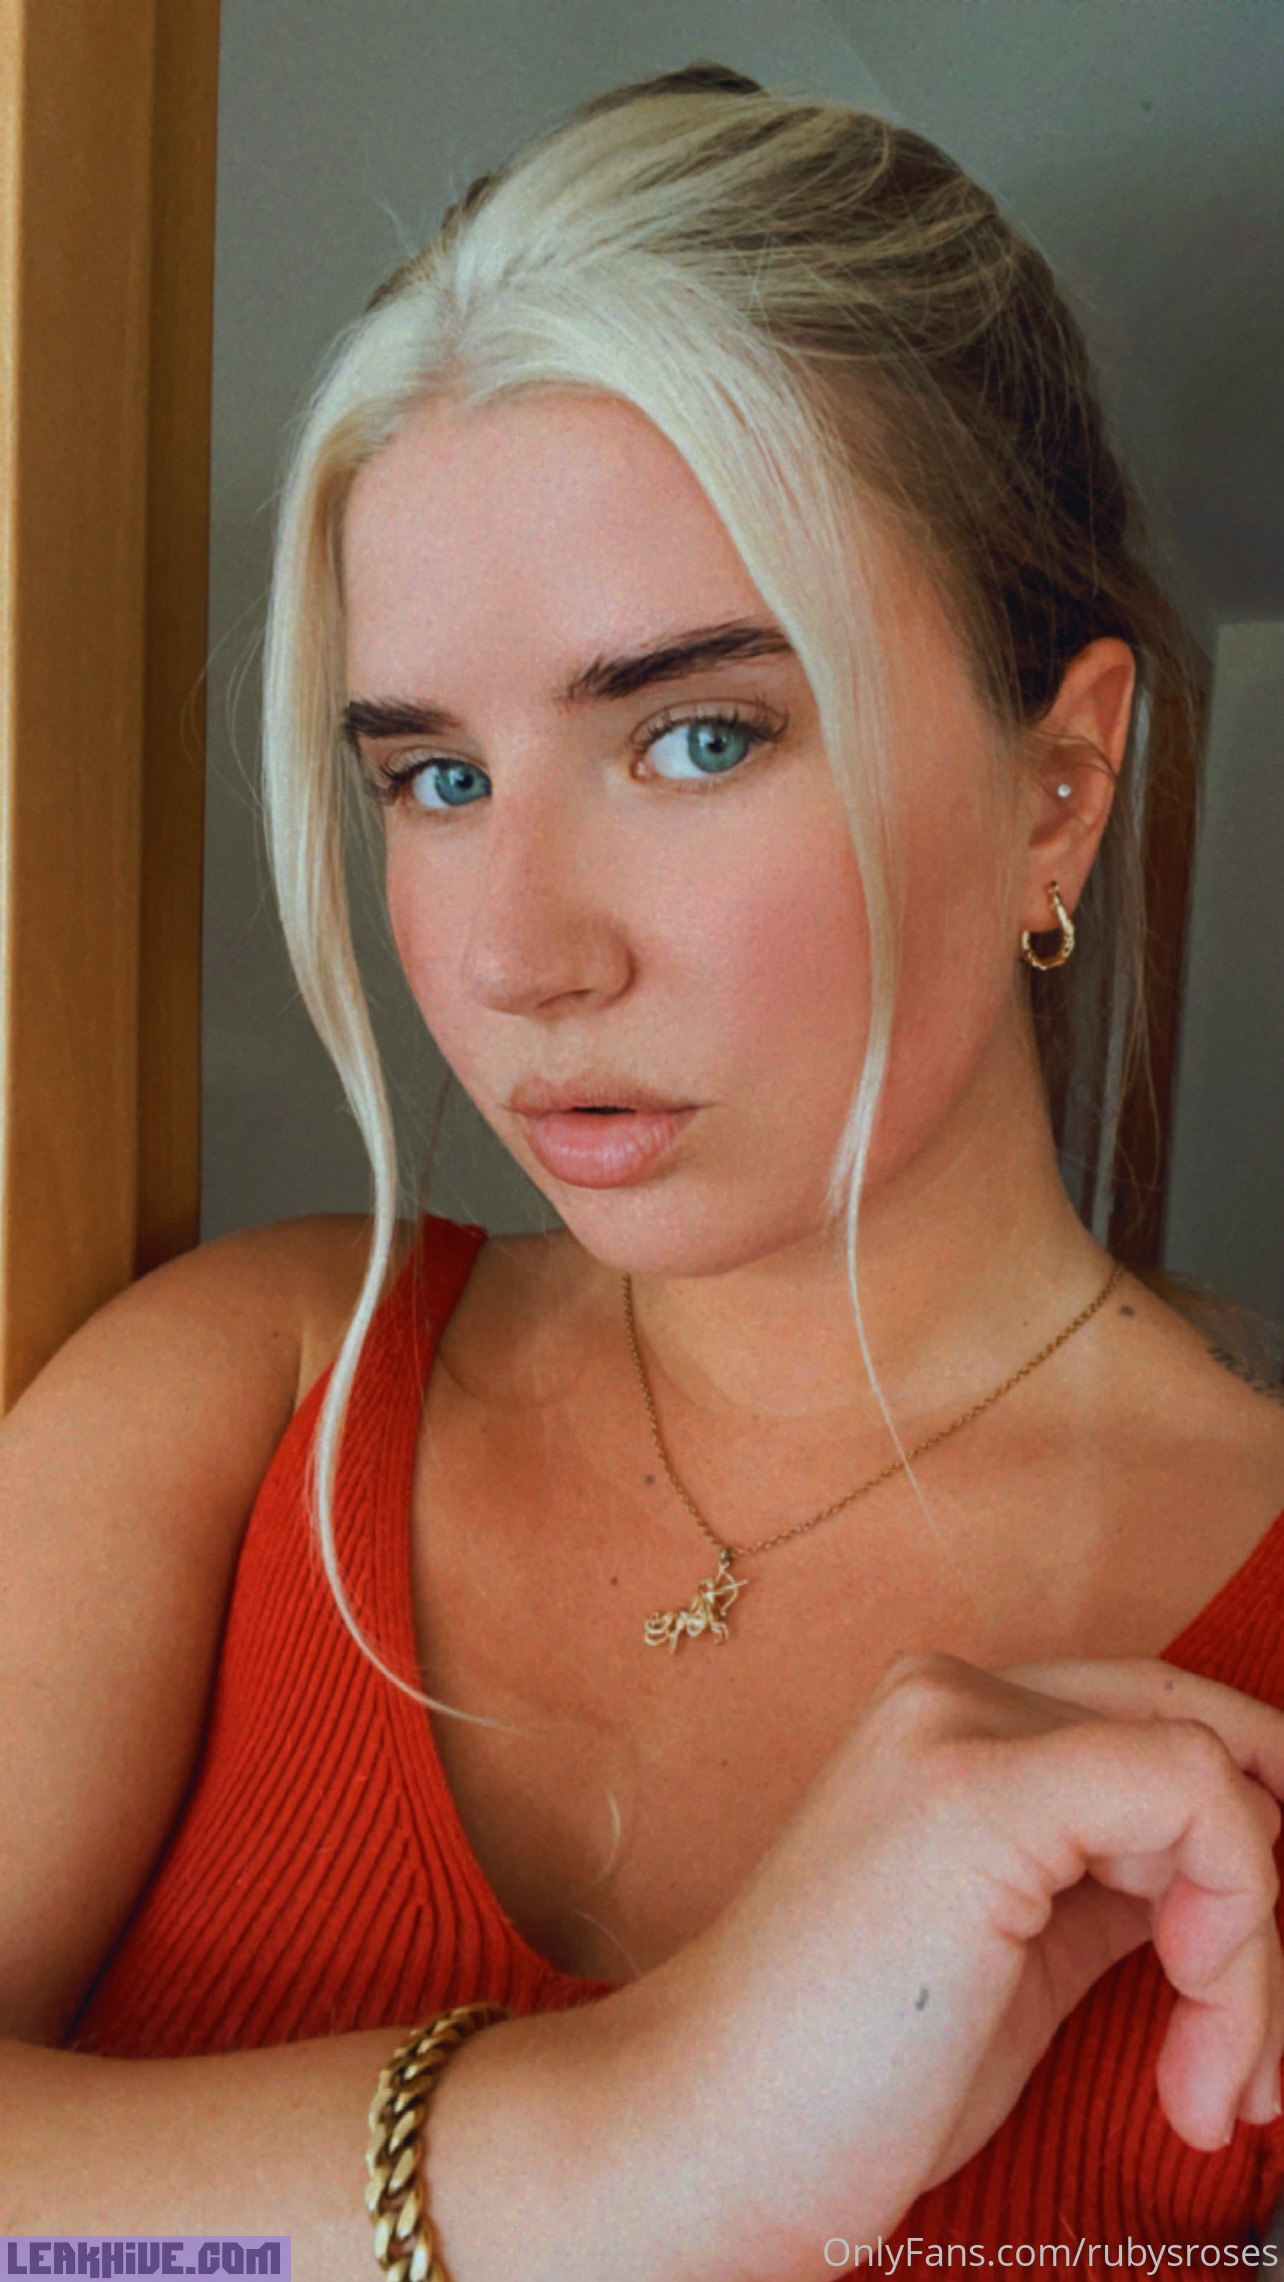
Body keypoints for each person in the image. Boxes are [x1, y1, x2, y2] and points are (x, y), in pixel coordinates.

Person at [2, 61, 1283, 2277]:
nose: (519, 953)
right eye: (433, 776)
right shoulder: (244, 1390)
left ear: (1059, 785)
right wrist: (625, 2136)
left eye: (696, 735)